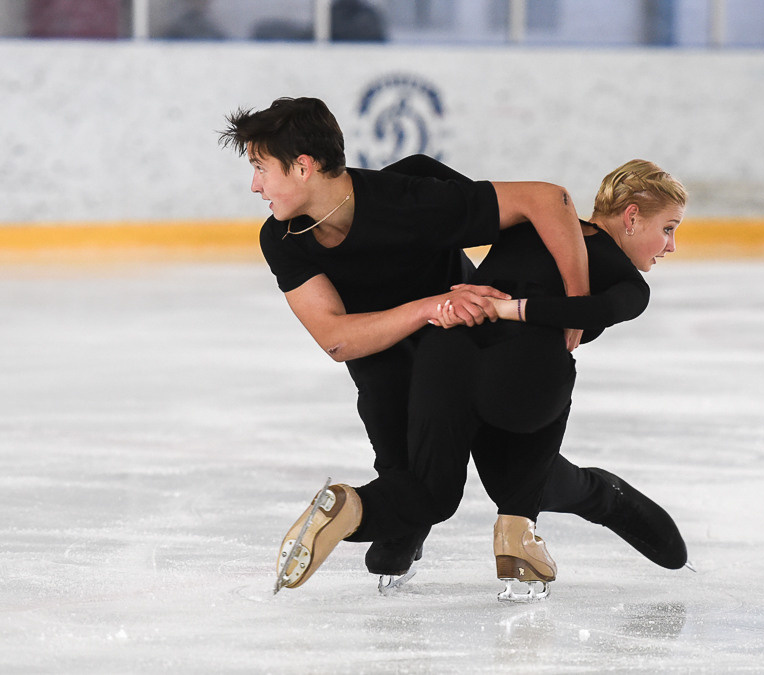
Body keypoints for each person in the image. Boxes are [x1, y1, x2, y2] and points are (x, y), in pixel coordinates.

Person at [274, 157, 690, 599]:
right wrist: (515, 310)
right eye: (668, 228)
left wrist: (367, 200)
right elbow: (598, 311)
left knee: (431, 494)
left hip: (444, 351)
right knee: (552, 389)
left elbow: (421, 169)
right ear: (630, 217)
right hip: (521, 374)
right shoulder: (630, 284)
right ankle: (518, 529)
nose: (671, 246)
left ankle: (350, 507)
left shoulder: (523, 225)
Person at [219, 96, 592, 587]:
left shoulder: (410, 198)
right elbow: (335, 339)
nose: (255, 185)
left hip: (464, 361)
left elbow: (549, 200)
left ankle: (373, 513)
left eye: (261, 168)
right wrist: (429, 306)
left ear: (304, 167)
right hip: (386, 373)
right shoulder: (283, 236)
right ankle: (384, 521)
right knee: (410, 510)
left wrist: (576, 308)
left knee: (455, 490)